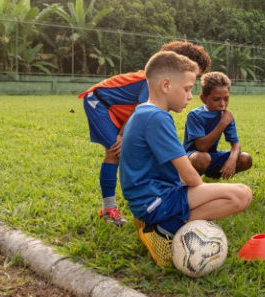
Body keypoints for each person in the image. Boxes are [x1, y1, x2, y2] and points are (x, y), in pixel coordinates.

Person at [119, 51, 252, 267]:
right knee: (241, 196)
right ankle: (165, 230)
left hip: (148, 199)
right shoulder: (157, 117)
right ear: (166, 85)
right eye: (187, 89)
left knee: (231, 195)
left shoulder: (143, 112)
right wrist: (202, 195)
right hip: (154, 201)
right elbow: (189, 174)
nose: (190, 96)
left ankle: (163, 223)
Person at [78, 41, 211, 226]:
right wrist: (123, 136)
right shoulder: (150, 81)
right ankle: (109, 208)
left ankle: (153, 196)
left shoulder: (165, 83)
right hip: (99, 103)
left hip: (118, 108)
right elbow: (140, 109)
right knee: (114, 151)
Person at [184, 72, 252, 179]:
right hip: (193, 156)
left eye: (226, 98)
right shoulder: (195, 115)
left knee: (245, 158)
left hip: (212, 156)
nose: (222, 104)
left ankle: (213, 175)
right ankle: (190, 182)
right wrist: (222, 123)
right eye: (217, 99)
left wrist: (232, 160)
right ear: (203, 98)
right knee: (202, 158)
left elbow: (236, 144)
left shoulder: (226, 115)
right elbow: (202, 147)